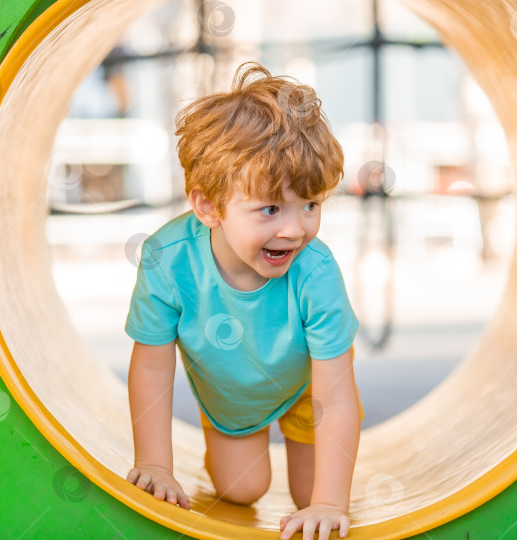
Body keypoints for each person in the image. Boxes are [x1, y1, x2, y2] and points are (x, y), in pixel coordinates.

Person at [124, 61, 364, 540]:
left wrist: (329, 502)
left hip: (307, 390)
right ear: (209, 206)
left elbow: (334, 395)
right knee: (243, 489)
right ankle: (231, 442)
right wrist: (155, 462)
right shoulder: (168, 260)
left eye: (311, 205)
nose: (295, 229)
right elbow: (151, 365)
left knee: (308, 496)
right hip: (232, 393)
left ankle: (309, 472)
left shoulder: (315, 272)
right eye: (270, 208)